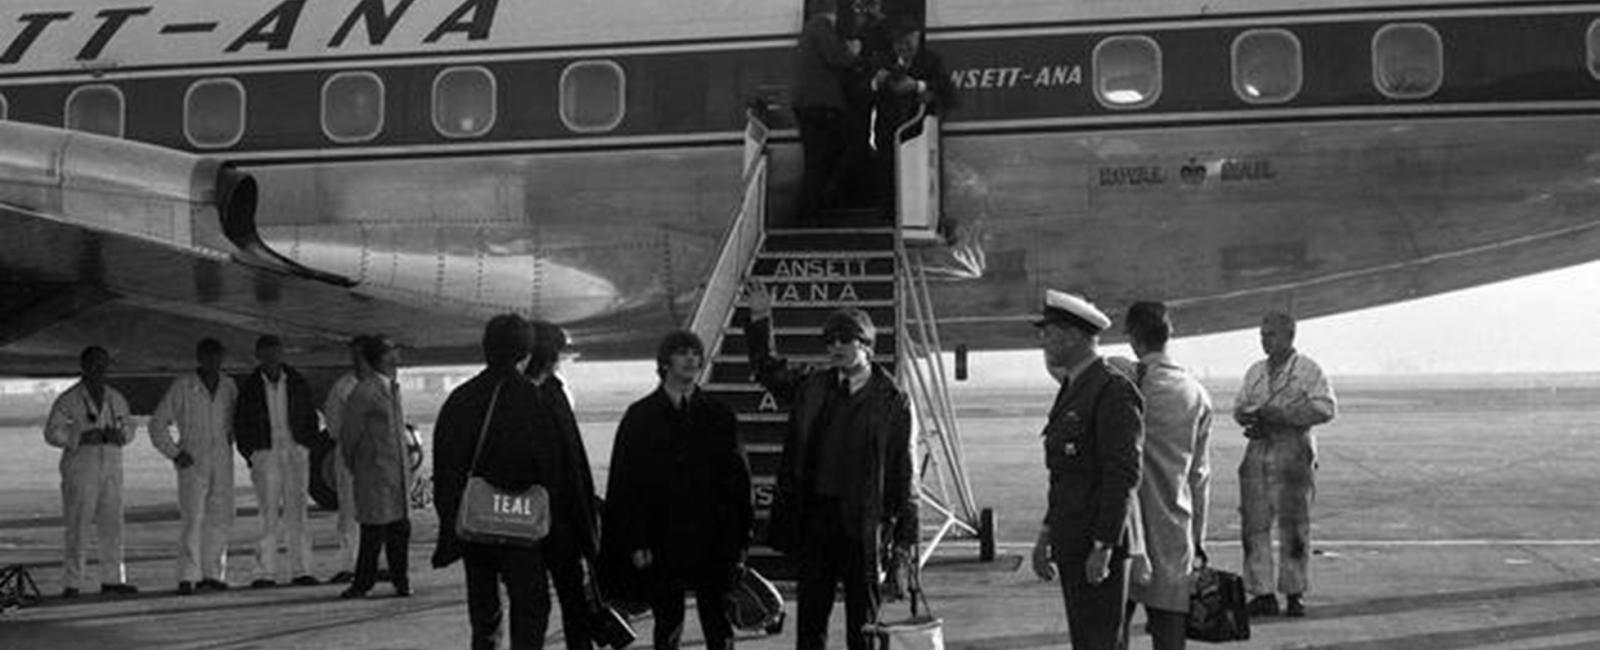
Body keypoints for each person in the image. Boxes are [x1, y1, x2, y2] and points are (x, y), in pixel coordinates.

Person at [744, 281, 916, 650]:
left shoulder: (893, 401)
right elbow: (767, 370)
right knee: (811, 621)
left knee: (864, 625)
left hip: (864, 524)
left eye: (845, 339)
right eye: (830, 340)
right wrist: (760, 318)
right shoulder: (813, 385)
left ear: (866, 346)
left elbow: (905, 476)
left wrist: (904, 546)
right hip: (818, 519)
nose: (835, 346)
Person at [433, 314, 597, 650]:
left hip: (475, 526)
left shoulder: (459, 398)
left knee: (485, 615)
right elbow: (551, 473)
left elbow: (445, 468)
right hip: (519, 528)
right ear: (525, 353)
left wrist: (452, 521)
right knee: (530, 607)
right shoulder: (534, 399)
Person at [603, 331, 752, 650]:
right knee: (667, 622)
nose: (692, 360)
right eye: (683, 353)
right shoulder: (640, 417)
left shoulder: (719, 415)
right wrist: (635, 540)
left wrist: (740, 539)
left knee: (718, 623)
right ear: (665, 362)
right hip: (661, 537)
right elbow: (625, 485)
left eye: (696, 354)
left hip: (712, 537)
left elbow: (739, 481)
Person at [1028, 290, 1143, 650]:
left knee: (1100, 641)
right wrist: (1047, 532)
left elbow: (1121, 475)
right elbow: (1064, 474)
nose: (1044, 340)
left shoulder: (1112, 391)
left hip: (1096, 540)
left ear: (1074, 336)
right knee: (1087, 641)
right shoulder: (1074, 387)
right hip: (1072, 537)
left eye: (1049, 332)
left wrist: (1104, 545)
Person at [1110, 302, 1212, 650]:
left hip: (1123, 528)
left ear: (1134, 339)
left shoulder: (1122, 379)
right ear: (1170, 335)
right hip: (1174, 530)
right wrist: (1198, 541)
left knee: (1110, 632)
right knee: (1170, 637)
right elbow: (1199, 477)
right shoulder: (1197, 393)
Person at [1235, 312, 1336, 619]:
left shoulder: (1308, 370)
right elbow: (1240, 406)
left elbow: (1326, 407)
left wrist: (1286, 416)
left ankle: (1294, 593)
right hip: (1258, 449)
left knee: (1294, 526)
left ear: (1290, 336)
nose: (1264, 340)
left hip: (1293, 452)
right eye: (1262, 335)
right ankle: (1262, 591)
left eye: (1271, 335)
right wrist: (1249, 418)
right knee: (1254, 526)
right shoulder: (1255, 372)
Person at [526, 320, 601, 650]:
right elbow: (572, 462)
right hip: (558, 522)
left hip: (526, 520)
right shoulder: (551, 394)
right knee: (573, 602)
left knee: (535, 607)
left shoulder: (532, 391)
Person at [43, 346, 139, 598]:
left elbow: (130, 426)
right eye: (94, 364)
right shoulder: (69, 399)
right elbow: (52, 432)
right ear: (84, 366)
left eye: (103, 364)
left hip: (111, 467)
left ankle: (113, 579)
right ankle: (72, 582)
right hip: (81, 469)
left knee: (113, 524)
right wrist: (81, 437)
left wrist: (122, 436)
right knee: (78, 525)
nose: (99, 369)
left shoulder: (116, 398)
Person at [148, 337, 240, 595]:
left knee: (220, 517)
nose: (213, 361)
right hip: (193, 458)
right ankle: (188, 575)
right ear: (199, 357)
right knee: (193, 518)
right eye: (208, 356)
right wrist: (174, 453)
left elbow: (235, 419)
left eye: (217, 356)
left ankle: (213, 573)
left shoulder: (229, 386)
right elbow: (157, 423)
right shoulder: (183, 386)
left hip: (222, 457)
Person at [234, 334, 322, 588]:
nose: (272, 358)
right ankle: (265, 572)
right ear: (259, 356)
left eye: (276, 353)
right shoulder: (250, 387)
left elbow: (309, 414)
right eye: (267, 354)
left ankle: (302, 569)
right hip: (266, 453)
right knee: (267, 514)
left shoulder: (295, 381)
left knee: (298, 513)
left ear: (281, 354)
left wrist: (307, 445)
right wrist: (251, 454)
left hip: (294, 451)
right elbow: (241, 423)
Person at [340, 335, 413, 598]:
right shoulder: (366, 391)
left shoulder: (391, 387)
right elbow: (350, 436)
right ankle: (363, 582)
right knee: (373, 531)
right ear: (381, 357)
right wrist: (360, 465)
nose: (397, 353)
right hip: (375, 472)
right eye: (392, 350)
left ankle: (400, 579)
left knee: (399, 529)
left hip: (395, 473)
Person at [791, 0, 862, 224]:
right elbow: (836, 57)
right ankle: (811, 213)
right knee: (824, 157)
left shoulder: (811, 29)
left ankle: (814, 209)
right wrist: (855, 52)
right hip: (820, 107)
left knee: (818, 159)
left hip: (811, 105)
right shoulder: (821, 26)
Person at [323, 335, 373, 585]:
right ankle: (349, 564)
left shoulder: (381, 383)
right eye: (355, 355)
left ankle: (375, 563)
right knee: (349, 511)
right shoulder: (343, 387)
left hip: (375, 458)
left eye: (362, 354)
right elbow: (333, 424)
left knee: (377, 511)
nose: (358, 359)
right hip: (351, 455)